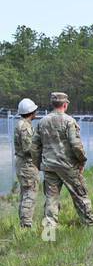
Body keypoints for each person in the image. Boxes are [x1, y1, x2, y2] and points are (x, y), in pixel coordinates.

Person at [34, 92, 93, 226]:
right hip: (68, 166)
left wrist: (38, 164)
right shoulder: (69, 121)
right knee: (80, 195)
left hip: (49, 166)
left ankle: (49, 234)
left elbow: (34, 147)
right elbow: (76, 145)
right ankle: (90, 226)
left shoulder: (42, 122)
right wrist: (82, 160)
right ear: (65, 104)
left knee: (51, 199)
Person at [12, 98, 39, 229]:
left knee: (25, 193)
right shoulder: (25, 127)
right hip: (27, 165)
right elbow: (28, 149)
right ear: (31, 111)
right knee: (30, 193)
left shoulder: (21, 124)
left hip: (23, 164)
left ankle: (24, 224)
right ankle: (26, 225)